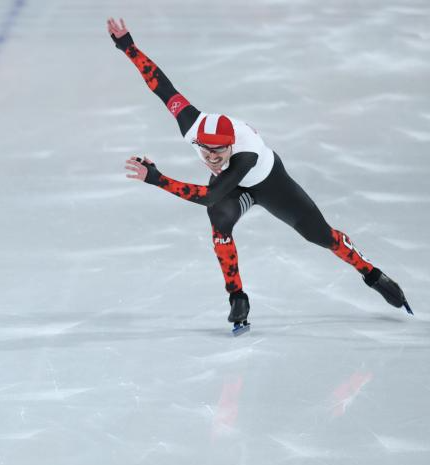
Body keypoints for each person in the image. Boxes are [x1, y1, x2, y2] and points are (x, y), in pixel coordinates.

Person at [106, 17, 411, 331]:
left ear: (231, 146)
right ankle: (237, 297)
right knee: (219, 221)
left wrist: (155, 178)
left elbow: (209, 194)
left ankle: (372, 274)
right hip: (234, 187)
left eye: (219, 152)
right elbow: (160, 84)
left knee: (320, 235)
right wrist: (128, 46)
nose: (212, 158)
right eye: (206, 151)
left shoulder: (246, 153)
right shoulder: (192, 124)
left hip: (269, 183)